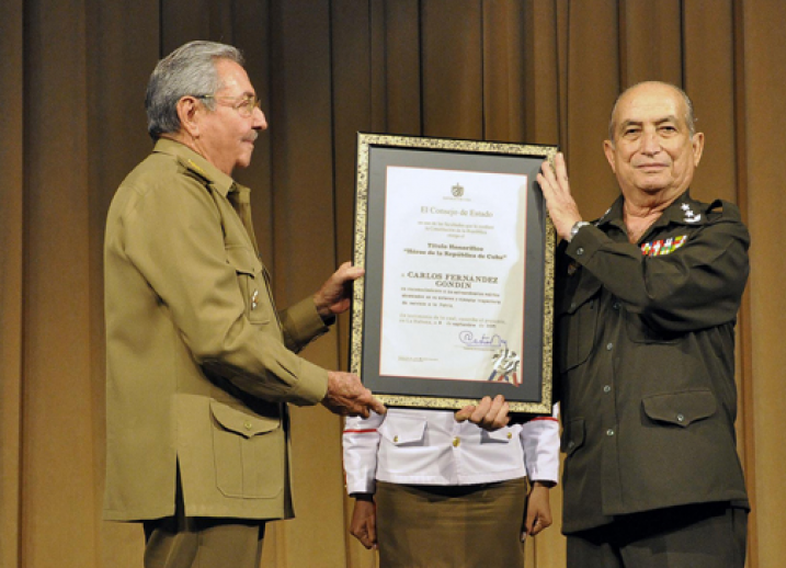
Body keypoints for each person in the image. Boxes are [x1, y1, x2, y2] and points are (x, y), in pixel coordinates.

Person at [102, 40, 385, 568]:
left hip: (217, 472)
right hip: (200, 477)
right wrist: (324, 386)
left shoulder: (201, 193)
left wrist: (317, 311)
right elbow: (222, 341)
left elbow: (234, 329)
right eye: (245, 104)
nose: (260, 120)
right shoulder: (169, 192)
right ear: (191, 113)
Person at [537, 81, 750, 567]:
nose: (649, 145)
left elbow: (659, 290)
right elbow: (540, 363)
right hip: (593, 509)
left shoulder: (718, 233)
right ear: (612, 154)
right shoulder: (573, 257)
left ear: (694, 146)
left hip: (687, 504)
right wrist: (494, 396)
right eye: (632, 132)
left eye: (666, 129)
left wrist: (577, 233)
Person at [342, 400, 560, 567]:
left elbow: (538, 399)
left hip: (497, 478)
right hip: (406, 482)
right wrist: (362, 493)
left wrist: (542, 483)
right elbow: (363, 410)